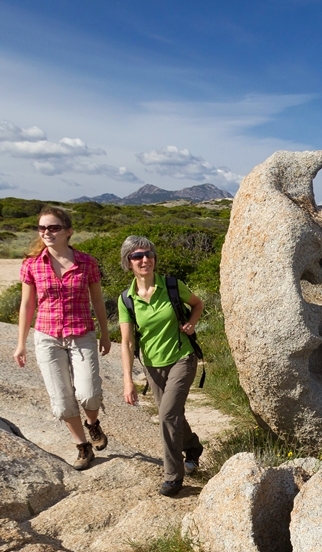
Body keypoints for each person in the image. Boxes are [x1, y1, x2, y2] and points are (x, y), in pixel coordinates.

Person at [13, 207, 110, 470]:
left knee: (89, 394)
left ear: (68, 231)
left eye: (53, 227)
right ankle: (82, 446)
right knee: (62, 398)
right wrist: (21, 343)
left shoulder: (87, 262)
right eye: (42, 228)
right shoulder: (31, 264)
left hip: (81, 334)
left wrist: (105, 332)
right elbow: (26, 306)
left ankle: (93, 423)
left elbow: (98, 300)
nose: (47, 232)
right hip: (47, 337)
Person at [117, 235, 204, 496]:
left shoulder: (172, 285)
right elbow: (126, 342)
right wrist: (128, 380)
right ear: (128, 262)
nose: (145, 260)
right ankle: (193, 446)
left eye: (149, 254)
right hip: (152, 366)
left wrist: (192, 323)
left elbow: (197, 304)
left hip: (182, 358)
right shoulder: (127, 299)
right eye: (137, 256)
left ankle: (172, 476)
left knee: (167, 415)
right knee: (172, 415)